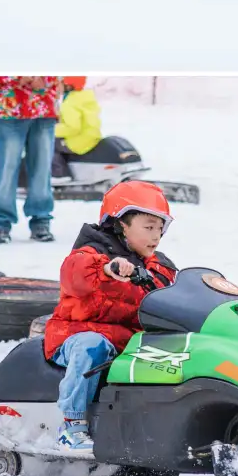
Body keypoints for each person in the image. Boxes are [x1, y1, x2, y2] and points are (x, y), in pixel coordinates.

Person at [43, 180, 177, 451]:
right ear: (120, 224)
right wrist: (106, 269)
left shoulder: (157, 265)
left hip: (126, 342)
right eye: (148, 227)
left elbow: (169, 294)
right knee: (92, 344)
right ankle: (72, 425)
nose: (156, 236)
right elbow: (75, 274)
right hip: (74, 338)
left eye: (160, 229)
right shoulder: (89, 255)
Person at [0, 75, 61, 246]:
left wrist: (44, 78)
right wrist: (21, 76)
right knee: (6, 168)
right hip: (10, 105)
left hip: (44, 104)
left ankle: (41, 219)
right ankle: (1, 222)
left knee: (42, 167)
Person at [52, 76, 103, 178]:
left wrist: (51, 130)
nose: (55, 87)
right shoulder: (85, 96)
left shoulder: (70, 103)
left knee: (49, 143)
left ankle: (59, 175)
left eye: (58, 83)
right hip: (91, 136)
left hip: (78, 140)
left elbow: (72, 128)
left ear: (68, 85)